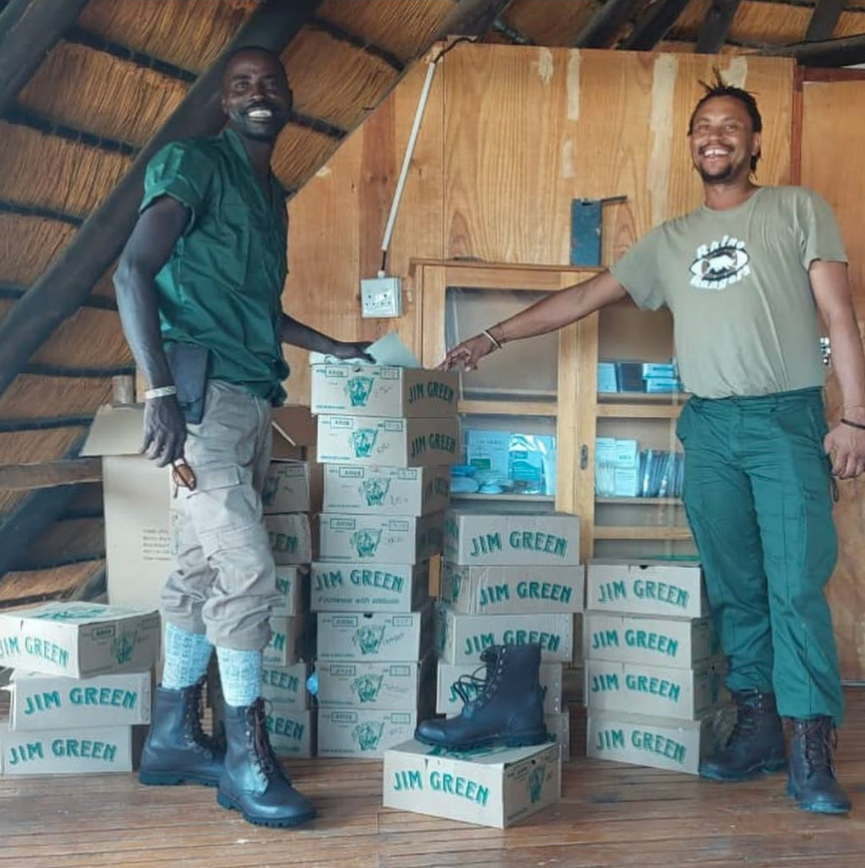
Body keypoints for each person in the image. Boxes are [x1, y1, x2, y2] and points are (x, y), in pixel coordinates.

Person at [441, 73, 865, 815]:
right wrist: (490, 334)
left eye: (731, 125)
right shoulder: (669, 242)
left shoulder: (797, 209)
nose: (715, 135)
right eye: (704, 125)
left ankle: (809, 746)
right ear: (691, 144)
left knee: (794, 584)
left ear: (754, 141)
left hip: (785, 421)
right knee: (734, 586)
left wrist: (854, 417)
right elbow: (581, 298)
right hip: (707, 427)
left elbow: (838, 315)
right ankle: (757, 725)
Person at [114, 45, 371, 829]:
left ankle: (170, 738)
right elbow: (133, 272)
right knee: (248, 569)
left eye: (269, 84)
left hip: (254, 403)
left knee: (198, 571)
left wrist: (333, 348)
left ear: (286, 97)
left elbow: (259, 310)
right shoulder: (192, 165)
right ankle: (242, 753)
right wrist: (159, 393)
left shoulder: (272, 195)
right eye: (241, 85)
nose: (258, 94)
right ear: (224, 102)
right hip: (199, 404)